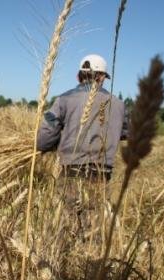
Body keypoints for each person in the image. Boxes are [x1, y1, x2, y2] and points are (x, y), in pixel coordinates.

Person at [37, 54, 127, 236]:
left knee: (66, 222)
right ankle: (89, 259)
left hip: (70, 171)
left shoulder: (63, 100)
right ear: (102, 77)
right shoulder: (119, 105)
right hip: (102, 173)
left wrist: (54, 143)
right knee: (93, 224)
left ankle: (66, 259)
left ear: (79, 76)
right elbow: (127, 132)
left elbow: (43, 139)